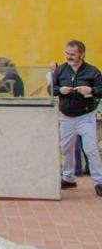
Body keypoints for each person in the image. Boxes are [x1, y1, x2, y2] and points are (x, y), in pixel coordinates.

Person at [51, 40, 102, 195]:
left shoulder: (92, 71)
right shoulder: (60, 71)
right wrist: (60, 89)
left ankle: (99, 182)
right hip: (66, 116)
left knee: (90, 149)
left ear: (82, 54)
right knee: (66, 148)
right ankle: (68, 178)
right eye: (67, 53)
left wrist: (90, 90)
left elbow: (101, 89)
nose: (69, 56)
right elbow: (51, 88)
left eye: (73, 54)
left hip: (85, 116)